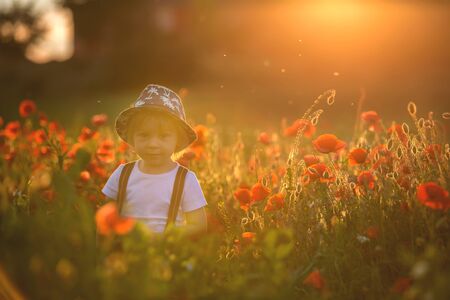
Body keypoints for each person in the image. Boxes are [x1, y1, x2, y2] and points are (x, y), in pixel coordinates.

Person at [101, 84, 207, 237]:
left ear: (177, 141)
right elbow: (106, 220)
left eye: (164, 136)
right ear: (132, 138)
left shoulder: (185, 179)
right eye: (144, 135)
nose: (153, 144)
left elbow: (199, 225)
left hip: (169, 255)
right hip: (128, 254)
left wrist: (167, 236)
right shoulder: (122, 175)